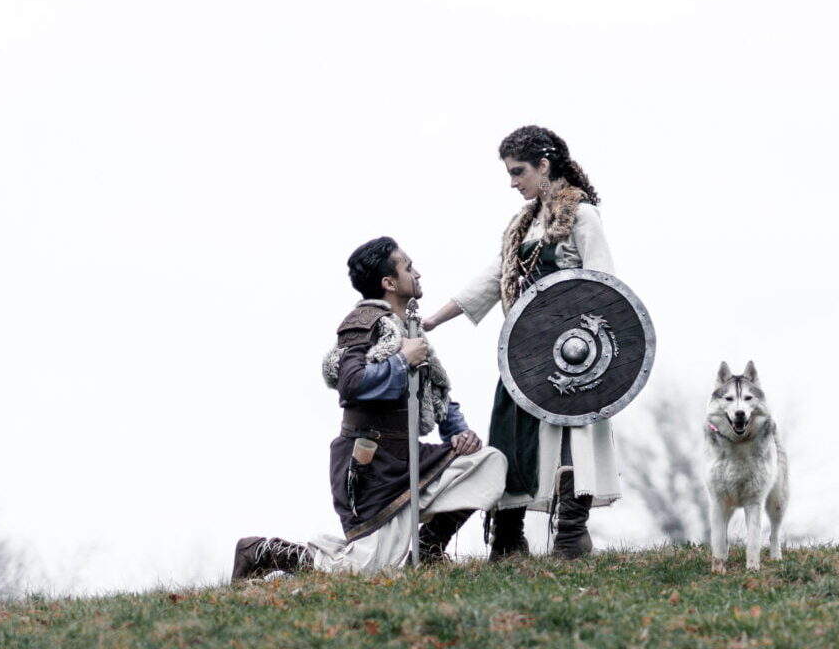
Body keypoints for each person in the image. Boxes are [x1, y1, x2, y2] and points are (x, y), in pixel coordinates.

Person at [231, 238, 508, 579]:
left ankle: (431, 548)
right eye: (408, 268)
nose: (417, 273)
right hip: (371, 464)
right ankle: (261, 552)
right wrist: (403, 361)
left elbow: (433, 389)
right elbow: (352, 384)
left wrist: (459, 433)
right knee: (366, 570)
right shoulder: (363, 322)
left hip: (409, 457)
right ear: (389, 283)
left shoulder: (408, 325)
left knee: (489, 463)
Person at [424, 125, 619, 560]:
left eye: (518, 172)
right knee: (512, 439)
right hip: (524, 356)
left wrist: (581, 346)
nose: (513, 183)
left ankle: (571, 536)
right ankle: (509, 540)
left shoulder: (581, 216)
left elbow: (603, 285)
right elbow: (494, 278)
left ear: (544, 166)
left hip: (573, 357)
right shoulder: (522, 226)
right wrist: (436, 318)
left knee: (572, 441)